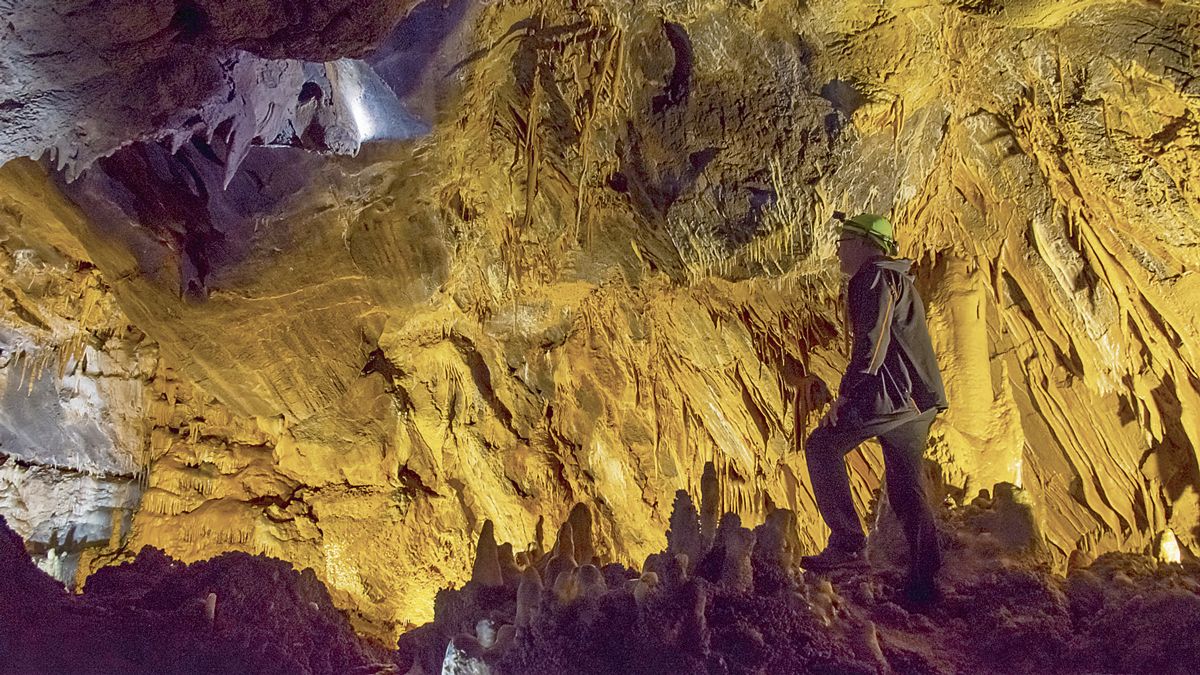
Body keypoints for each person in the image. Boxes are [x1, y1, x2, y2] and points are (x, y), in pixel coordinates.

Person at [799, 212, 949, 602]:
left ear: (866, 244)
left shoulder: (875, 276)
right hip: (919, 401)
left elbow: (872, 342)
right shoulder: (896, 278)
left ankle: (848, 545)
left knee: (821, 446)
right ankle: (925, 580)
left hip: (893, 395)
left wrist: (845, 395)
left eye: (843, 242)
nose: (837, 250)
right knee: (905, 489)